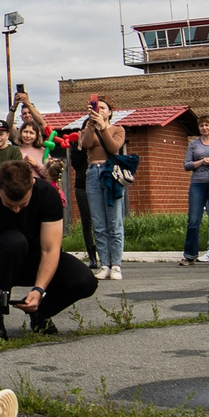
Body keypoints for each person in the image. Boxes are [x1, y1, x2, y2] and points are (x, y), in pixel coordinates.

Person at [0, 159, 95, 342]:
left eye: (22, 205)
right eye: (9, 205)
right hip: (1, 260)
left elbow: (50, 250)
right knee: (14, 241)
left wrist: (39, 290)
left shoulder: (48, 195)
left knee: (85, 280)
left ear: (32, 184)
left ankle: (41, 312)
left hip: (37, 260)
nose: (16, 210)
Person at [72, 98, 132, 281]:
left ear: (110, 112)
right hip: (92, 172)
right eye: (98, 108)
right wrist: (91, 126)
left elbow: (114, 149)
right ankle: (104, 264)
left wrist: (103, 127)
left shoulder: (117, 129)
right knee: (98, 222)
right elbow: (87, 145)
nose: (101, 111)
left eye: (103, 108)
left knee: (114, 222)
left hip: (110, 172)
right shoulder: (87, 128)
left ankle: (116, 265)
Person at [182, 113, 209, 264]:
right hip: (198, 184)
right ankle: (190, 255)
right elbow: (186, 165)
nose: (204, 128)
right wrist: (201, 162)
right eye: (201, 125)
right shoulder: (194, 144)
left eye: (207, 125)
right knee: (194, 220)